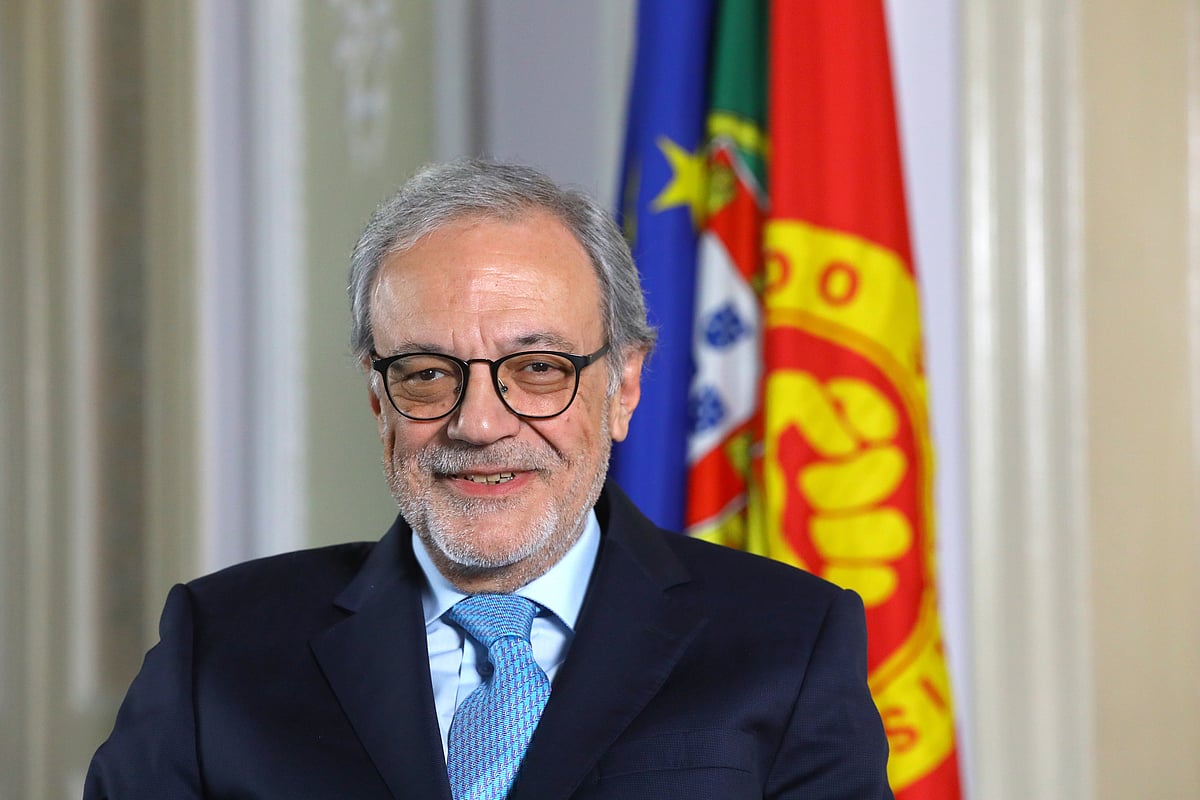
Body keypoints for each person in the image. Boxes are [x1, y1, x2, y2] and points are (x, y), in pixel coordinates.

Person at [84, 160, 892, 799]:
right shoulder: (219, 646)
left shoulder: (789, 640)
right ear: (378, 399)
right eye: (427, 372)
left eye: (538, 369)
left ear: (624, 386)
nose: (478, 424)